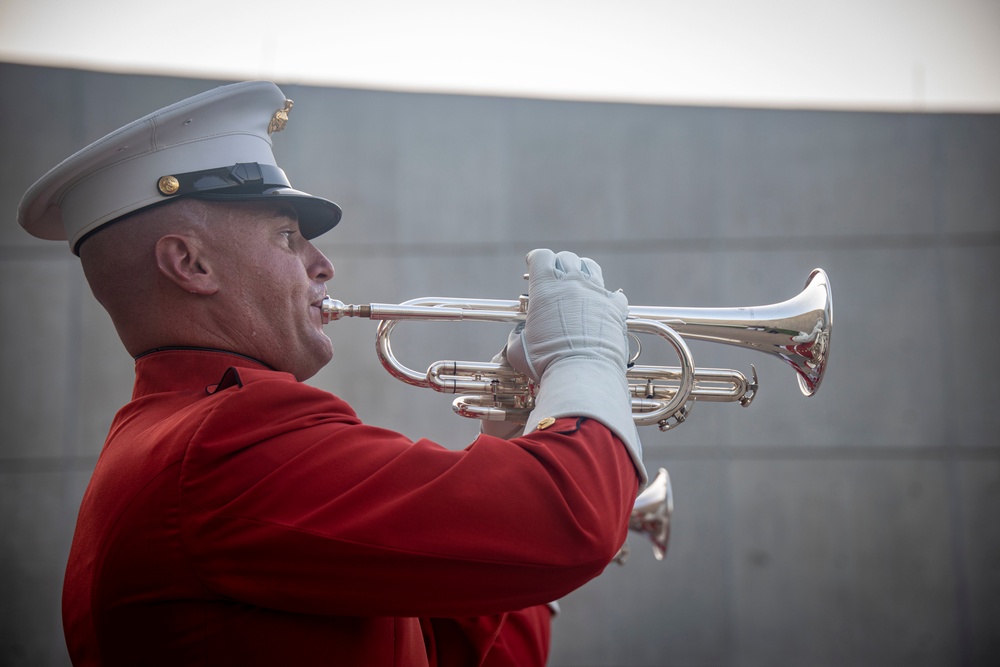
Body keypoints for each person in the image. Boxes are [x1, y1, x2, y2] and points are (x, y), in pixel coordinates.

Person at [18, 81, 645, 666]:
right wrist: (585, 356)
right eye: (288, 238)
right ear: (191, 263)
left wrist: (511, 427)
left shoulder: (172, 437)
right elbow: (574, 521)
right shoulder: (226, 441)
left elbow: (460, 650)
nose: (323, 265)